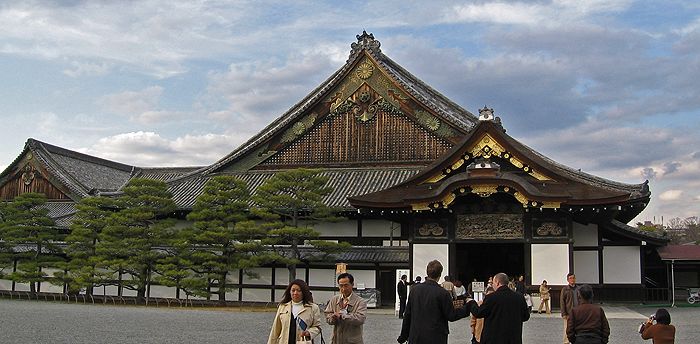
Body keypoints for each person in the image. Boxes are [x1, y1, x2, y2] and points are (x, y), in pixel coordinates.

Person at [397, 260, 470, 344]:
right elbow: (451, 315)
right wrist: (468, 307)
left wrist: (403, 336)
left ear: (427, 272)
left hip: (416, 335)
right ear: (440, 274)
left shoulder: (414, 290)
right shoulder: (443, 293)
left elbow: (408, 315)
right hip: (436, 337)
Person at [467, 272, 530, 344]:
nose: (493, 285)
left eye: (493, 283)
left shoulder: (491, 298)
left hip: (494, 338)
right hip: (513, 338)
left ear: (497, 282)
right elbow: (526, 316)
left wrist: (472, 303)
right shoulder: (519, 297)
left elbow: (478, 313)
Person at [268, 279, 322, 344]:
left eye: (299, 290)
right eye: (293, 290)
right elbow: (275, 330)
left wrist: (309, 333)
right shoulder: (283, 307)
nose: (295, 293)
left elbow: (317, 327)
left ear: (303, 292)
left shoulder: (313, 308)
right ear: (289, 292)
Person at [324, 272, 367, 344]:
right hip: (336, 340)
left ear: (352, 284)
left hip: (353, 341)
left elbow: (360, 319)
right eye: (341, 286)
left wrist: (342, 316)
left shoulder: (360, 301)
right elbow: (327, 315)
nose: (343, 289)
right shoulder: (334, 299)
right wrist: (332, 318)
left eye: (346, 285)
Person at [561, 273, 582, 344]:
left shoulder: (579, 289)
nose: (572, 280)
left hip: (578, 312)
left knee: (578, 327)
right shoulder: (565, 289)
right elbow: (562, 302)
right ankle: (566, 342)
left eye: (573, 278)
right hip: (569, 312)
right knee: (567, 328)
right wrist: (564, 313)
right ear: (567, 280)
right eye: (570, 278)